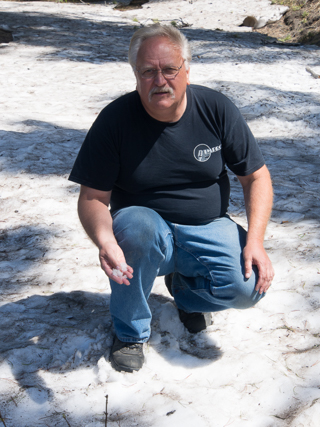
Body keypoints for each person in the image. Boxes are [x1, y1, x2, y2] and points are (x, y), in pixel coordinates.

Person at [69, 24, 274, 373]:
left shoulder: (216, 109)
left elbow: (256, 177)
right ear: (136, 75)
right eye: (148, 71)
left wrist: (255, 241)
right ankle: (130, 332)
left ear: (187, 70)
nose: (159, 80)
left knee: (249, 286)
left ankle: (184, 291)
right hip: (146, 232)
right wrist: (105, 240)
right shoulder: (114, 121)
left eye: (169, 69)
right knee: (135, 228)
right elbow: (92, 197)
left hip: (208, 225)